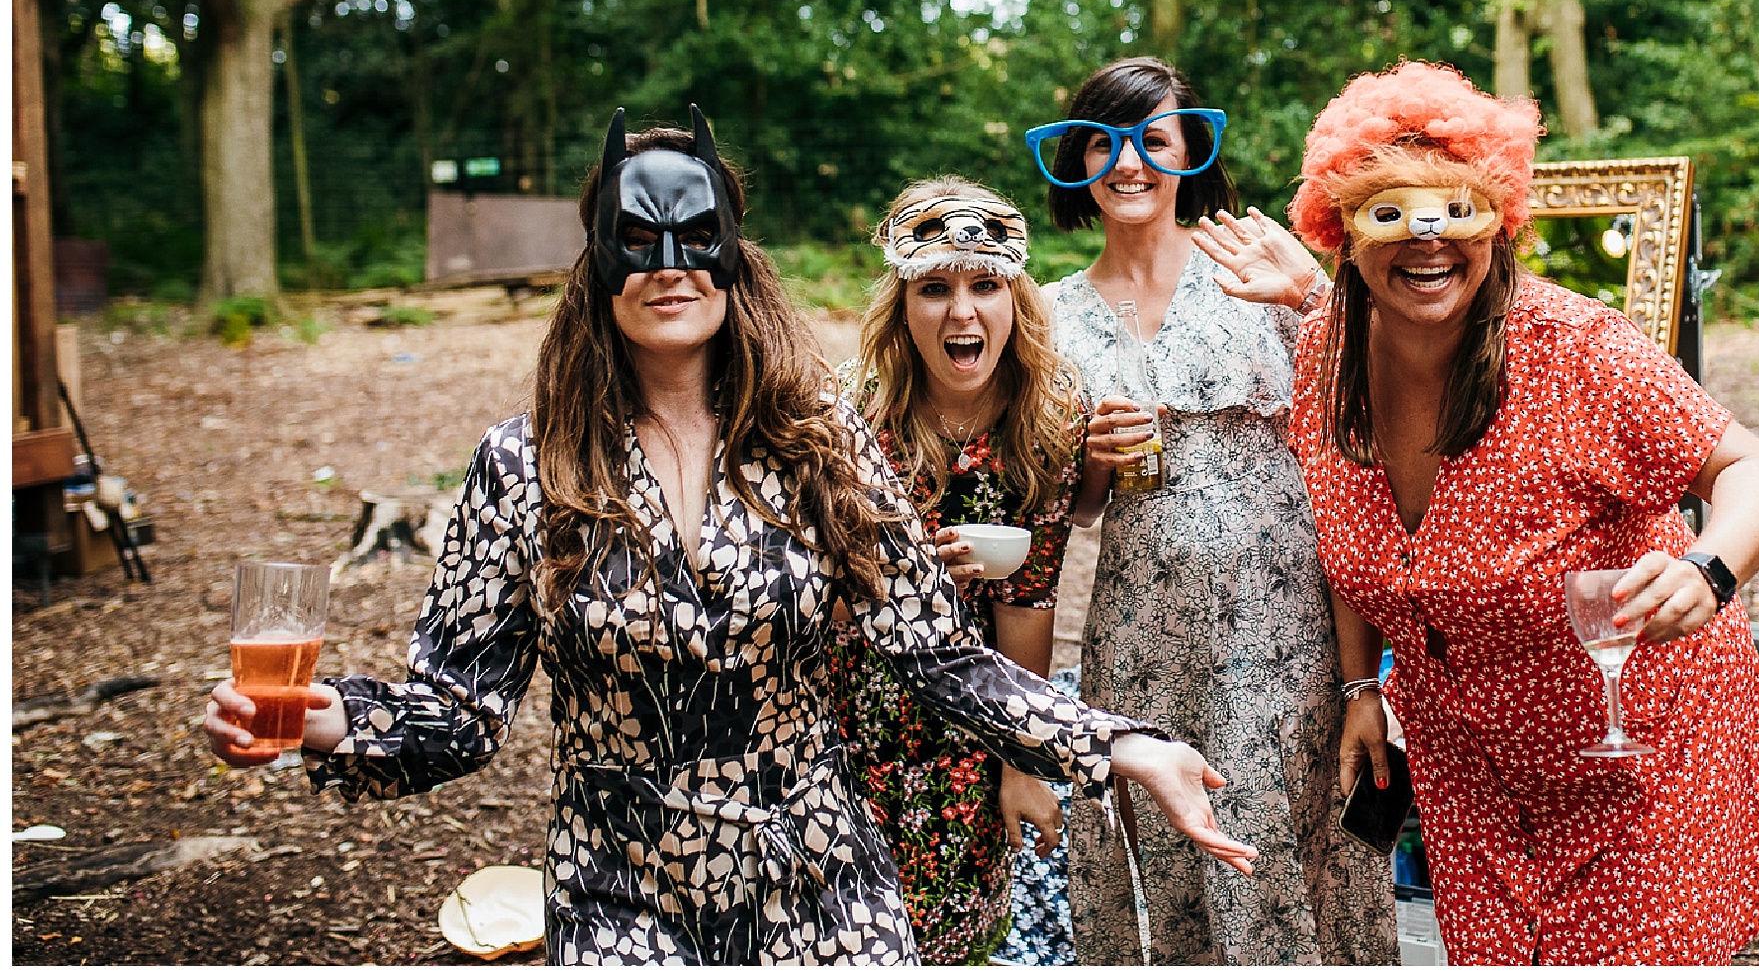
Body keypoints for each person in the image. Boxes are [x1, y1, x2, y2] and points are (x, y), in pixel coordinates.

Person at [203, 108, 1256, 965]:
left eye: (694, 235)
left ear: (732, 255)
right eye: (637, 239)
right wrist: (323, 714)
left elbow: (938, 655)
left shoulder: (816, 444)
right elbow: (462, 708)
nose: (669, 266)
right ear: (598, 262)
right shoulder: (526, 467)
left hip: (824, 889)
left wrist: (1121, 743)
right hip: (625, 897)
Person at [1282, 60, 1759, 965]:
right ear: (1342, 229)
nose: (1427, 239)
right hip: (1467, 761)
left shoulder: (1579, 351)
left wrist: (1705, 572)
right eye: (1391, 212)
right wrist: (1362, 688)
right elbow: (1348, 538)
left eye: (1455, 209)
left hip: (1632, 741)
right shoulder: (1326, 350)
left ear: (1500, 215)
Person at [1026, 57, 1398, 965]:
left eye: (1152, 140)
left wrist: (1315, 293)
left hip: (1286, 633)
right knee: (1161, 849)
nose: (1128, 163)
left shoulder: (1251, 266)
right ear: (1075, 161)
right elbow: (1064, 513)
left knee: (1280, 846)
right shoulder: (1047, 315)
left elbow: (1373, 429)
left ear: (1191, 153)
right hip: (1139, 640)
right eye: (1104, 143)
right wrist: (1091, 464)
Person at [821, 176, 1088, 962]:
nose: (961, 312)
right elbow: (796, 590)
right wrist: (884, 576)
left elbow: (1029, 600)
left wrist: (1021, 761)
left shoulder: (1048, 419)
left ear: (1017, 299)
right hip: (844, 722)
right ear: (902, 304)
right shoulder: (848, 415)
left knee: (952, 941)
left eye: (985, 286)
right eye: (934, 288)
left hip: (971, 728)